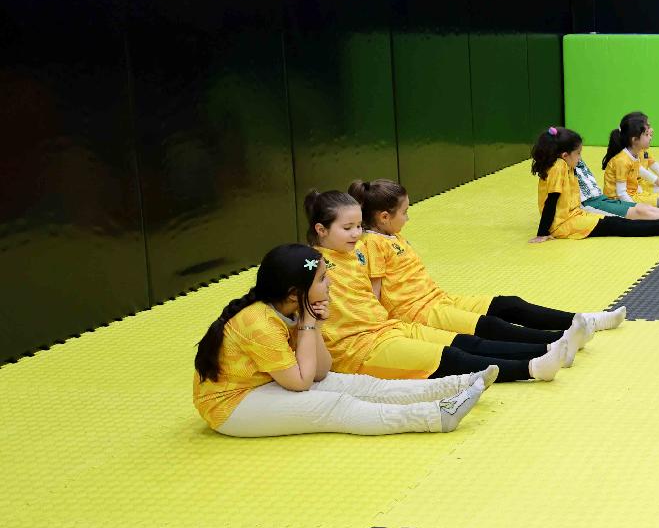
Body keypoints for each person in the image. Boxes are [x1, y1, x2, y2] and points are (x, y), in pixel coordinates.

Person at [192, 243, 496, 437]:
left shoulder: (290, 309)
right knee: (336, 406)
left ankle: (457, 385)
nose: (330, 283)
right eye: (322, 278)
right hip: (232, 406)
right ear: (294, 293)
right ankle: (434, 416)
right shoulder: (258, 322)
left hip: (270, 383)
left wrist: (313, 324)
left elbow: (321, 371)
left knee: (362, 385)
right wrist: (309, 323)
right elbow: (301, 382)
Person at [306, 189, 571, 381]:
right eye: (348, 228)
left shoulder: (356, 252)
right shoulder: (311, 264)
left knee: (463, 342)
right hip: (358, 349)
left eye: (358, 226)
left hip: (389, 327)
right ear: (321, 229)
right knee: (450, 358)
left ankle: (546, 349)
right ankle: (531, 368)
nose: (357, 233)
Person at [349, 178, 624, 347]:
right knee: (489, 326)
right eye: (405, 212)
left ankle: (582, 319)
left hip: (439, 299)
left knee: (508, 304)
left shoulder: (392, 235)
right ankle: (560, 339)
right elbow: (375, 293)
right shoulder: (372, 244)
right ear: (384, 217)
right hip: (420, 314)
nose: (408, 218)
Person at [532, 127, 659, 241]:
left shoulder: (563, 164)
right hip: (564, 224)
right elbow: (551, 200)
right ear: (564, 155)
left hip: (576, 215)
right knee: (617, 225)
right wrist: (542, 233)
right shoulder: (558, 167)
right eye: (578, 154)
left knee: (617, 222)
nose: (579, 158)